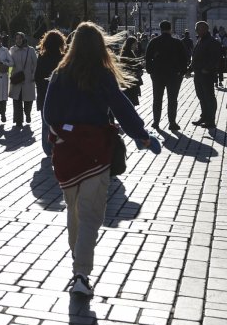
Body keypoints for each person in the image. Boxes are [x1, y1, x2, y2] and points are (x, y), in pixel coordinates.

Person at [43, 22, 154, 299]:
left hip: (67, 153)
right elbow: (120, 106)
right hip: (95, 151)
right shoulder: (102, 75)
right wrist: (141, 134)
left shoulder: (59, 74)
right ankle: (81, 273)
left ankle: (78, 263)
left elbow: (48, 114)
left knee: (74, 212)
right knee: (91, 214)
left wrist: (60, 135)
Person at [145, 20, 187, 131]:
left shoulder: (154, 41)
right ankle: (172, 122)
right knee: (172, 99)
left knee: (157, 99)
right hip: (174, 75)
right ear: (170, 29)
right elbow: (184, 58)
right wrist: (182, 72)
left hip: (158, 74)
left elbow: (148, 57)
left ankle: (156, 121)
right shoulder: (177, 42)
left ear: (160, 29)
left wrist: (150, 71)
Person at [190, 21, 222, 128]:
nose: (197, 31)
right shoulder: (201, 40)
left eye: (198, 29)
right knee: (201, 96)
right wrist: (190, 68)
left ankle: (211, 120)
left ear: (205, 29)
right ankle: (204, 116)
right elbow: (195, 57)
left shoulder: (212, 42)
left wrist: (207, 69)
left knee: (209, 97)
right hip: (198, 74)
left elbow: (215, 58)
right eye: (196, 29)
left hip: (206, 74)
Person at [8, 32, 38, 127]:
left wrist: (34, 75)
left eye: (20, 38)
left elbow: (36, 64)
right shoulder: (12, 50)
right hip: (16, 79)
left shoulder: (30, 50)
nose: (18, 40)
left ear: (24, 39)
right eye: (16, 39)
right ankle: (18, 120)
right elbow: (9, 63)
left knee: (28, 100)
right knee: (17, 100)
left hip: (28, 79)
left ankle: (28, 113)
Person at [34, 30, 66, 111]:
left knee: (45, 120)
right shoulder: (63, 58)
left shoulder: (42, 57)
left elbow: (37, 76)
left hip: (44, 92)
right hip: (60, 94)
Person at [120, 37, 144, 106]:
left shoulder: (127, 52)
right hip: (130, 80)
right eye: (135, 44)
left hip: (128, 80)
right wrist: (141, 65)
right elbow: (133, 65)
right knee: (130, 101)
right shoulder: (128, 53)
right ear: (131, 44)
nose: (136, 46)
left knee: (129, 101)